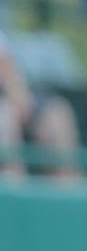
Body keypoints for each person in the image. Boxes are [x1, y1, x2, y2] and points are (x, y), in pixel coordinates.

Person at [0, 30, 80, 176]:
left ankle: (69, 194)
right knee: (5, 120)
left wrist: (22, 103)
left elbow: (12, 80)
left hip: (12, 104)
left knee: (58, 114)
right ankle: (14, 195)